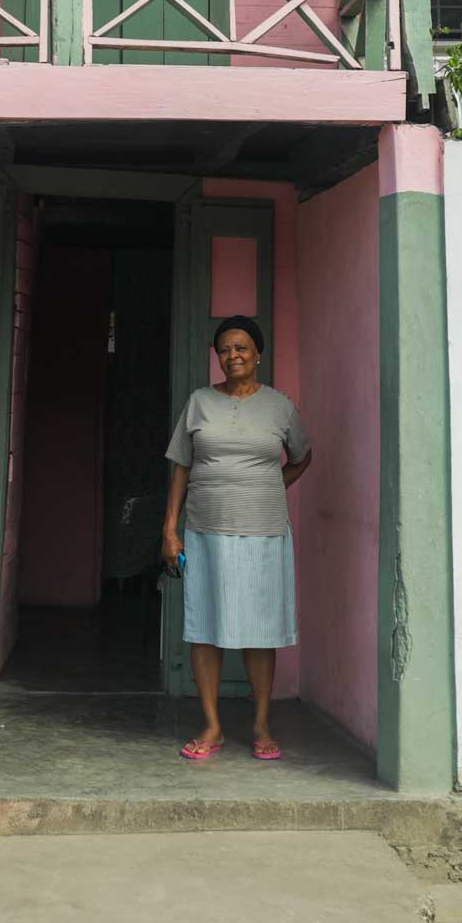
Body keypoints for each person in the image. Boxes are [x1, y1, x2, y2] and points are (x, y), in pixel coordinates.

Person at [162, 314, 313, 763]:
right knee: (204, 628)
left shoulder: (280, 407)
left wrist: (268, 487)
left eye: (242, 348)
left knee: (259, 630)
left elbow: (303, 457)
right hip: (205, 530)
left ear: (258, 354)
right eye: (225, 350)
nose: (233, 356)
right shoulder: (199, 402)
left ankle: (262, 723)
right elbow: (182, 467)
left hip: (264, 532)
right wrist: (170, 529)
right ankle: (211, 725)